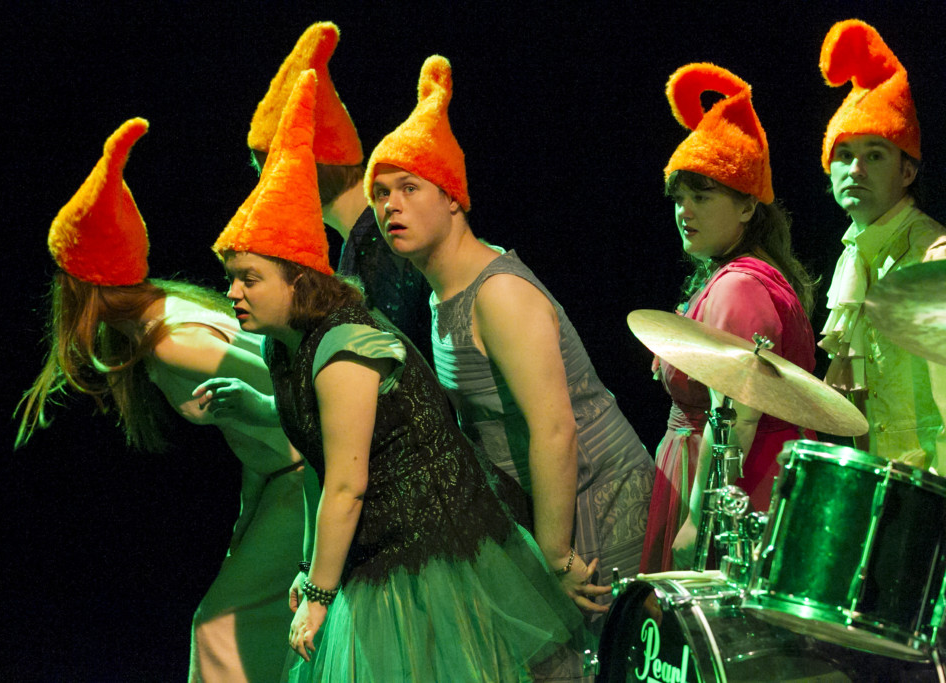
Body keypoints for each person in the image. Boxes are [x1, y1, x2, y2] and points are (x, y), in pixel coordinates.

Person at [213, 69, 590, 682]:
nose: (231, 294)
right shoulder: (283, 351)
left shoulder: (344, 345)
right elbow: (316, 463)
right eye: (381, 191)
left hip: (433, 546)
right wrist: (311, 568)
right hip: (376, 546)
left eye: (249, 279)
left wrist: (320, 593)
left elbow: (347, 484)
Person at [364, 55, 654, 680]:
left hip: (598, 500)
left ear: (453, 198)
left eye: (410, 188)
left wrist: (553, 552)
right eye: (381, 193)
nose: (392, 206)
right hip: (545, 506)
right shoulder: (443, 293)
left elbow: (555, 428)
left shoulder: (499, 295)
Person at [14, 118, 303, 682]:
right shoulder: (164, 316)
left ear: (82, 285)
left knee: (220, 629)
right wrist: (250, 516)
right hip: (283, 479)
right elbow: (253, 430)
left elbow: (292, 401)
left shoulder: (172, 342)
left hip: (310, 476)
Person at [635, 64, 817, 572]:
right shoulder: (739, 273)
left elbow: (734, 421)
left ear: (745, 208)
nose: (684, 211)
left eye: (702, 196)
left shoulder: (739, 287)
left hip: (733, 490)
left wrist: (701, 519)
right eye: (680, 198)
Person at [246, 22, 432, 363]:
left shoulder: (381, 242)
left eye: (273, 174)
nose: (268, 191)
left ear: (311, 168)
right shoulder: (360, 241)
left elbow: (401, 366)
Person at [817, 20, 946, 472]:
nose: (855, 170)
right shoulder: (852, 254)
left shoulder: (935, 258)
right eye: (844, 155)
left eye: (875, 155)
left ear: (907, 172)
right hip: (876, 482)